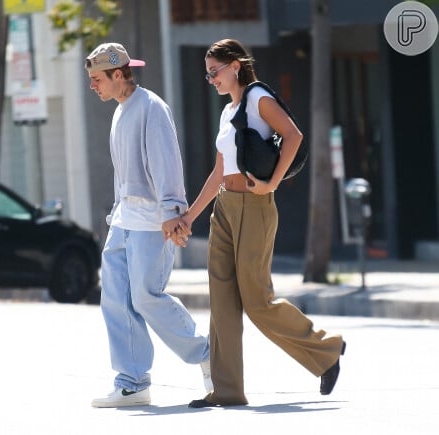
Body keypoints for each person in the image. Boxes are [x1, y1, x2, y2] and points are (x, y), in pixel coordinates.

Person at [175, 39, 346, 408]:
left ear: (235, 66)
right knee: (221, 299)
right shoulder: (227, 112)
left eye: (214, 71)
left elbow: (294, 135)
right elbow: (220, 170)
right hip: (225, 207)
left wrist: (271, 183)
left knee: (257, 301)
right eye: (207, 74)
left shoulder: (256, 98)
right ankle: (227, 390)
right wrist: (190, 215)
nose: (211, 79)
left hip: (255, 205)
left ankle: (326, 350)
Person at [84, 42, 211, 408]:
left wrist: (173, 212)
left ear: (119, 74)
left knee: (145, 296)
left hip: (152, 223)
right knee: (116, 299)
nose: (93, 86)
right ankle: (132, 382)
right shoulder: (120, 111)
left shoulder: (152, 108)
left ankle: (206, 353)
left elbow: (166, 161)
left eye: (97, 79)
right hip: (123, 221)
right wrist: (115, 216)